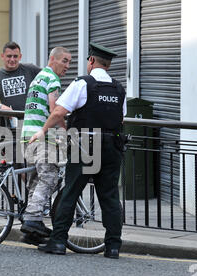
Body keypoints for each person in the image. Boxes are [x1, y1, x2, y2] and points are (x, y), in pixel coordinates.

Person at [29, 43, 127, 258]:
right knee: (109, 197)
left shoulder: (83, 83)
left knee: (71, 193)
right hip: (112, 146)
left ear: (91, 61)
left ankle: (58, 242)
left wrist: (44, 130)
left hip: (85, 145)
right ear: (108, 65)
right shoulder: (119, 89)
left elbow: (58, 112)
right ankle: (112, 246)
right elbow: (120, 119)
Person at [19, 47, 71, 246]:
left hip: (27, 136)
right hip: (42, 138)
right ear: (53, 59)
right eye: (64, 61)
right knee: (49, 177)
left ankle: (31, 228)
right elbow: (55, 110)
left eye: (69, 62)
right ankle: (33, 218)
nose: (67, 66)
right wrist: (66, 130)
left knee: (34, 182)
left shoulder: (38, 77)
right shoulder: (52, 80)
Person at [0, 41, 41, 112]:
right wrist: (1, 107)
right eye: (9, 56)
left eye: (15, 56)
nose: (12, 59)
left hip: (31, 119)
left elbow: (49, 77)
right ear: (2, 56)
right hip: (8, 119)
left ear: (20, 57)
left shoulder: (30, 69)